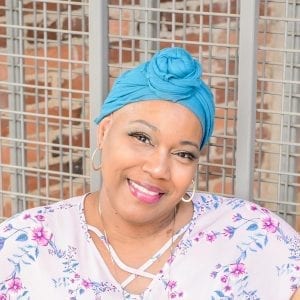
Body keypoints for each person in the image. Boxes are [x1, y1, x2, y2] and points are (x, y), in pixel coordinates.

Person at [0, 47, 299, 300]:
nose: (158, 168)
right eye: (142, 138)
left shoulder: (255, 238)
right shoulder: (23, 247)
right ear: (104, 133)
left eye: (183, 154)